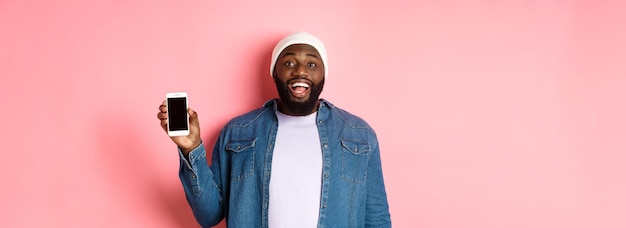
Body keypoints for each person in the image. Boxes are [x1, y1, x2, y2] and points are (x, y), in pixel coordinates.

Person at [157, 32, 391, 227]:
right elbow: (208, 215)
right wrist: (191, 150)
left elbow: (377, 219)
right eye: (289, 63)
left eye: (311, 64)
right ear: (274, 72)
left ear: (323, 74)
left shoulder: (358, 135)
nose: (300, 71)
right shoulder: (238, 132)